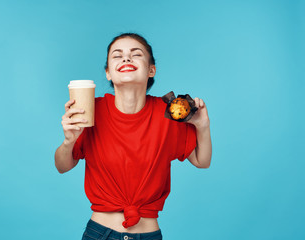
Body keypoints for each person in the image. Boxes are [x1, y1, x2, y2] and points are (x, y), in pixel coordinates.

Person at [54, 33, 212, 240]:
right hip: (99, 233)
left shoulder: (169, 112)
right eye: (117, 56)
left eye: (135, 54)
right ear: (108, 73)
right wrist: (69, 140)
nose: (126, 59)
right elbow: (62, 166)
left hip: (148, 235)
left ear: (151, 70)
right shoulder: (90, 110)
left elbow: (202, 161)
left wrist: (202, 125)